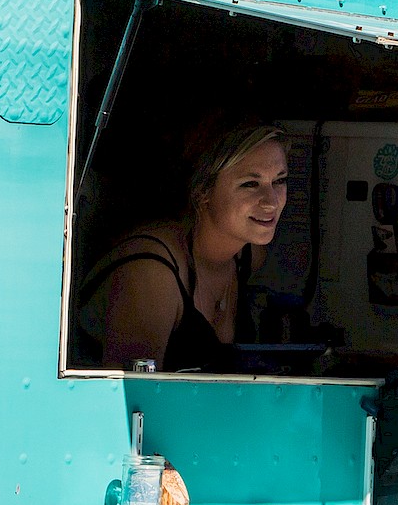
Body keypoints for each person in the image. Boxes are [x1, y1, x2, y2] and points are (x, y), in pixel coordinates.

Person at [69, 122, 290, 371]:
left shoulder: (249, 255)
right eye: (250, 184)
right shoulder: (151, 273)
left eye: (279, 181)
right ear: (202, 191)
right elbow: (138, 401)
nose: (271, 202)